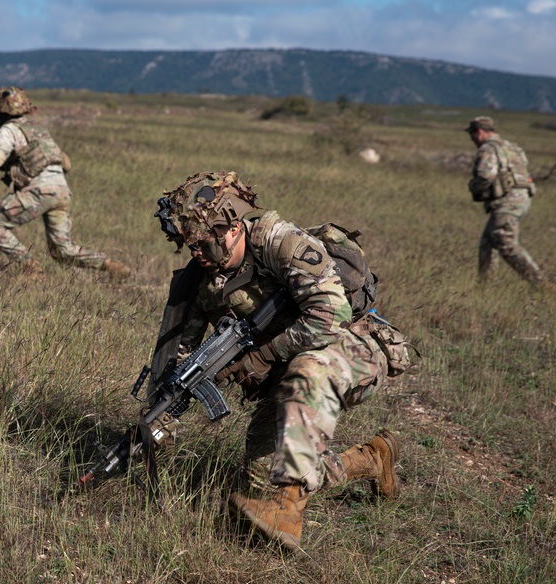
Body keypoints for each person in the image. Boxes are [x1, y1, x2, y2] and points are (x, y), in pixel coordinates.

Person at [151, 171, 410, 548]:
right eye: (189, 244)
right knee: (264, 472)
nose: (196, 254)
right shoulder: (203, 278)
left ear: (234, 227)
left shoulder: (280, 242)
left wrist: (263, 356)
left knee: (310, 371)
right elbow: (180, 356)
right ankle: (372, 459)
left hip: (353, 346)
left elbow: (331, 316)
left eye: (204, 243)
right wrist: (161, 416)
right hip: (288, 365)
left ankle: (288, 513)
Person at [0, 87, 131, 278]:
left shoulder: (9, 130)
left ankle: (30, 267)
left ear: (2, 111)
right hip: (61, 191)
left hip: (39, 191)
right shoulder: (38, 129)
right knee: (62, 251)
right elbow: (66, 163)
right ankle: (111, 266)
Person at [465, 116, 544, 286]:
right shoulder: (512, 147)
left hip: (508, 201)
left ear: (479, 132)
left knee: (505, 241)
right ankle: (485, 287)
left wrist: (474, 187)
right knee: (488, 242)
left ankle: (540, 283)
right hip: (522, 198)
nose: (472, 139)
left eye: (472, 135)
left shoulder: (488, 149)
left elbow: (486, 175)